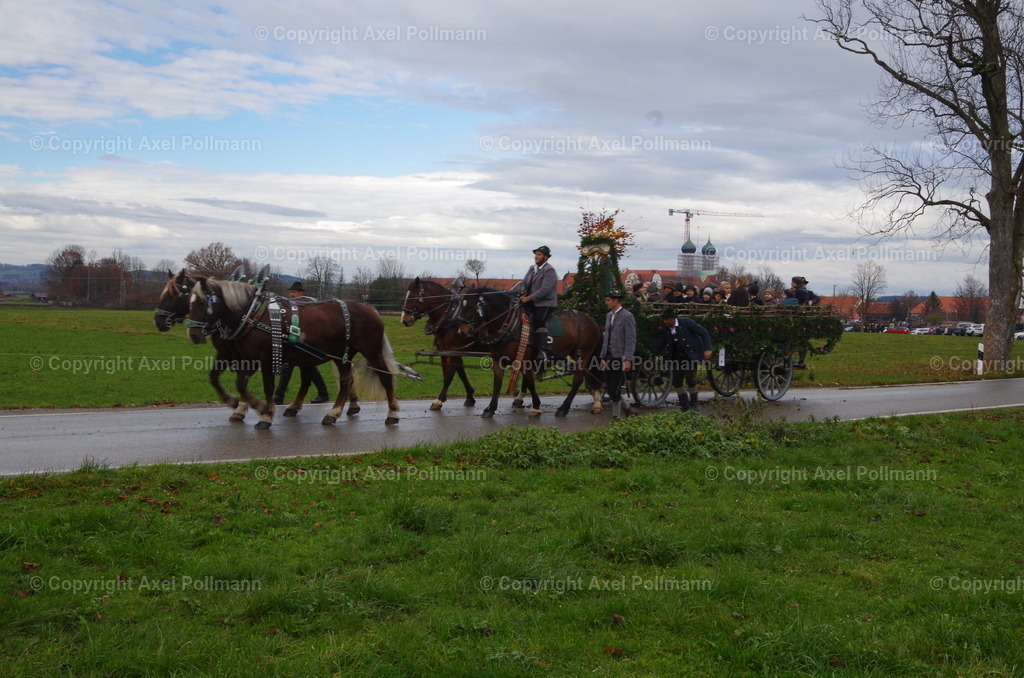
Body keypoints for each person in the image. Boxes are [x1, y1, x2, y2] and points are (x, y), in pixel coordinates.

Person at [273, 281, 330, 405]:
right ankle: (323, 393)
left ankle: (279, 395)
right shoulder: (291, 304)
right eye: (291, 292)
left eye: (294, 292)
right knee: (297, 366)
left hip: (305, 339)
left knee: (303, 367)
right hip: (295, 338)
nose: (292, 294)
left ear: (300, 292)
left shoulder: (306, 302)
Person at [653, 307, 713, 411]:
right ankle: (684, 405)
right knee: (677, 381)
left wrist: (707, 349)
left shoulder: (687, 323)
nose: (665, 322)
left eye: (666, 319)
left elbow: (703, 333)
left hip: (691, 355)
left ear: (672, 318)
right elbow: (661, 344)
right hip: (677, 357)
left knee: (690, 378)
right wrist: (652, 356)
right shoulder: (666, 329)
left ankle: (694, 403)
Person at [599, 291, 636, 421]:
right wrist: (603, 358)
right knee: (609, 387)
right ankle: (627, 409)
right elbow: (606, 338)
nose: (606, 302)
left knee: (615, 388)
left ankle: (616, 417)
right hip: (609, 357)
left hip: (620, 358)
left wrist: (627, 359)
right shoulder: (609, 316)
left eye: (608, 300)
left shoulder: (627, 316)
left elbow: (630, 339)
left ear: (616, 301)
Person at [519, 245, 558, 362]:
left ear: (546, 257)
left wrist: (529, 298)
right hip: (531, 301)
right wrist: (521, 292)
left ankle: (543, 351)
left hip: (545, 303)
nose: (536, 257)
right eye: (536, 254)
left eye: (539, 254)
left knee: (539, 321)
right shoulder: (532, 268)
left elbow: (545, 289)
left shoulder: (549, 270)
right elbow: (524, 283)